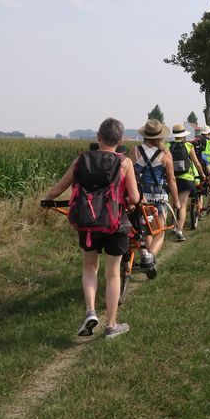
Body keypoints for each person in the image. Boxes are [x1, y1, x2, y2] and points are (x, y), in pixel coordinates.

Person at [43, 118, 140, 340]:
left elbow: (59, 188)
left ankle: (90, 312)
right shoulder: (124, 163)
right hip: (115, 224)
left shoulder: (81, 159)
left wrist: (46, 199)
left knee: (89, 269)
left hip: (87, 224)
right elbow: (134, 196)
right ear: (121, 139)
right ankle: (112, 325)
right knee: (113, 273)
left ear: (98, 137)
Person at [130, 119, 180, 256]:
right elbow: (172, 180)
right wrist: (176, 201)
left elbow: (130, 175)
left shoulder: (134, 151)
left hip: (140, 198)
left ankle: (145, 253)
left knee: (145, 229)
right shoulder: (165, 153)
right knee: (159, 232)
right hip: (159, 199)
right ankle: (150, 257)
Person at [166, 123, 205, 241]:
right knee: (182, 206)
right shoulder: (188, 146)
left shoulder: (167, 145)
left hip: (172, 178)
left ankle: (173, 226)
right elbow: (197, 163)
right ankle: (179, 230)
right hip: (186, 179)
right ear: (184, 135)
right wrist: (202, 174)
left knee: (174, 203)